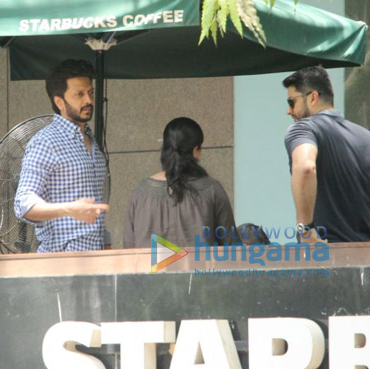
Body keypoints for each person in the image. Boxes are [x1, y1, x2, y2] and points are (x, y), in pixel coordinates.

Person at [14, 59, 109, 253]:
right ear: (59, 102)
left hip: (96, 260)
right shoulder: (46, 142)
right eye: (79, 94)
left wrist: (106, 243)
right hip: (61, 263)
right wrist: (69, 209)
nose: (89, 100)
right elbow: (23, 203)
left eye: (90, 92)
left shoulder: (92, 141)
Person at [282, 66, 370, 243]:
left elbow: (305, 167)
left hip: (326, 255)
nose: (288, 111)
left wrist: (307, 231)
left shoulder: (303, 128)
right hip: (367, 255)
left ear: (312, 97)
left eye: (291, 102)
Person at [123, 117, 237, 248]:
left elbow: (128, 248)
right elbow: (231, 247)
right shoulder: (212, 190)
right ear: (195, 151)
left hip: (149, 268)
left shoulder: (141, 192)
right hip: (200, 268)